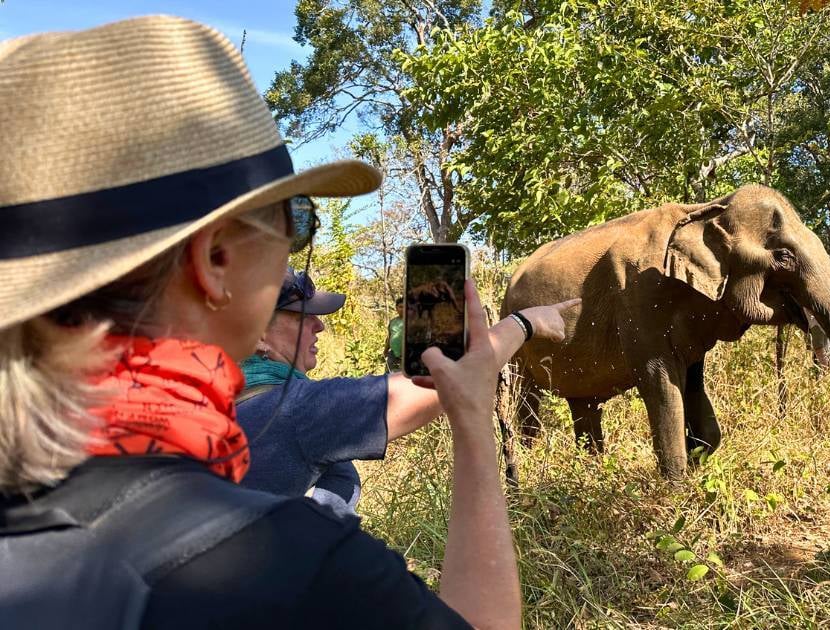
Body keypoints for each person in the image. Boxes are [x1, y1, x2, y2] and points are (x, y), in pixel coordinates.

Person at [0, 16, 534, 628]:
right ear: (214, 259)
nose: (293, 246)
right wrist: (474, 417)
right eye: (294, 218)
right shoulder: (294, 570)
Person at [238, 268, 576, 518]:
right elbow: (450, 381)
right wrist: (525, 323)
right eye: (301, 315)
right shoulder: (294, 411)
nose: (320, 325)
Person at [385, 296, 405, 372]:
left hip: (406, 355)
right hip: (393, 353)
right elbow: (390, 337)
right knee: (388, 373)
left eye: (404, 307)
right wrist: (385, 350)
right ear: (396, 308)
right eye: (400, 307)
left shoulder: (411, 321)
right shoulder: (392, 322)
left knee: (402, 375)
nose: (402, 309)